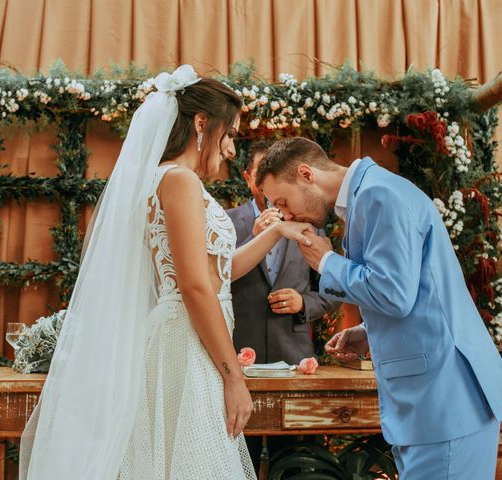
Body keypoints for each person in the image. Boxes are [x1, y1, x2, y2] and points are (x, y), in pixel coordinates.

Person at [19, 66, 313, 480]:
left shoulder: (166, 180)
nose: (231, 148)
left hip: (193, 337)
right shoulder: (179, 182)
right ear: (200, 123)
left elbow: (216, 274)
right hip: (187, 343)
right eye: (228, 134)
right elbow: (194, 287)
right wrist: (233, 376)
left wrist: (277, 231)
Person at [256, 136, 502, 479]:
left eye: (282, 201)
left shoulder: (378, 194)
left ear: (306, 174)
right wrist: (370, 331)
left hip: (445, 401)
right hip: (433, 403)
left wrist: (327, 261)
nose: (285, 214)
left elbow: (395, 293)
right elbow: (418, 289)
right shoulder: (370, 194)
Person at [227, 140, 339, 365]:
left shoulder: (309, 222)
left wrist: (303, 303)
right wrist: (254, 239)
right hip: (237, 352)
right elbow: (213, 278)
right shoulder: (226, 223)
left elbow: (336, 290)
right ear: (248, 176)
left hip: (294, 355)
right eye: (262, 173)